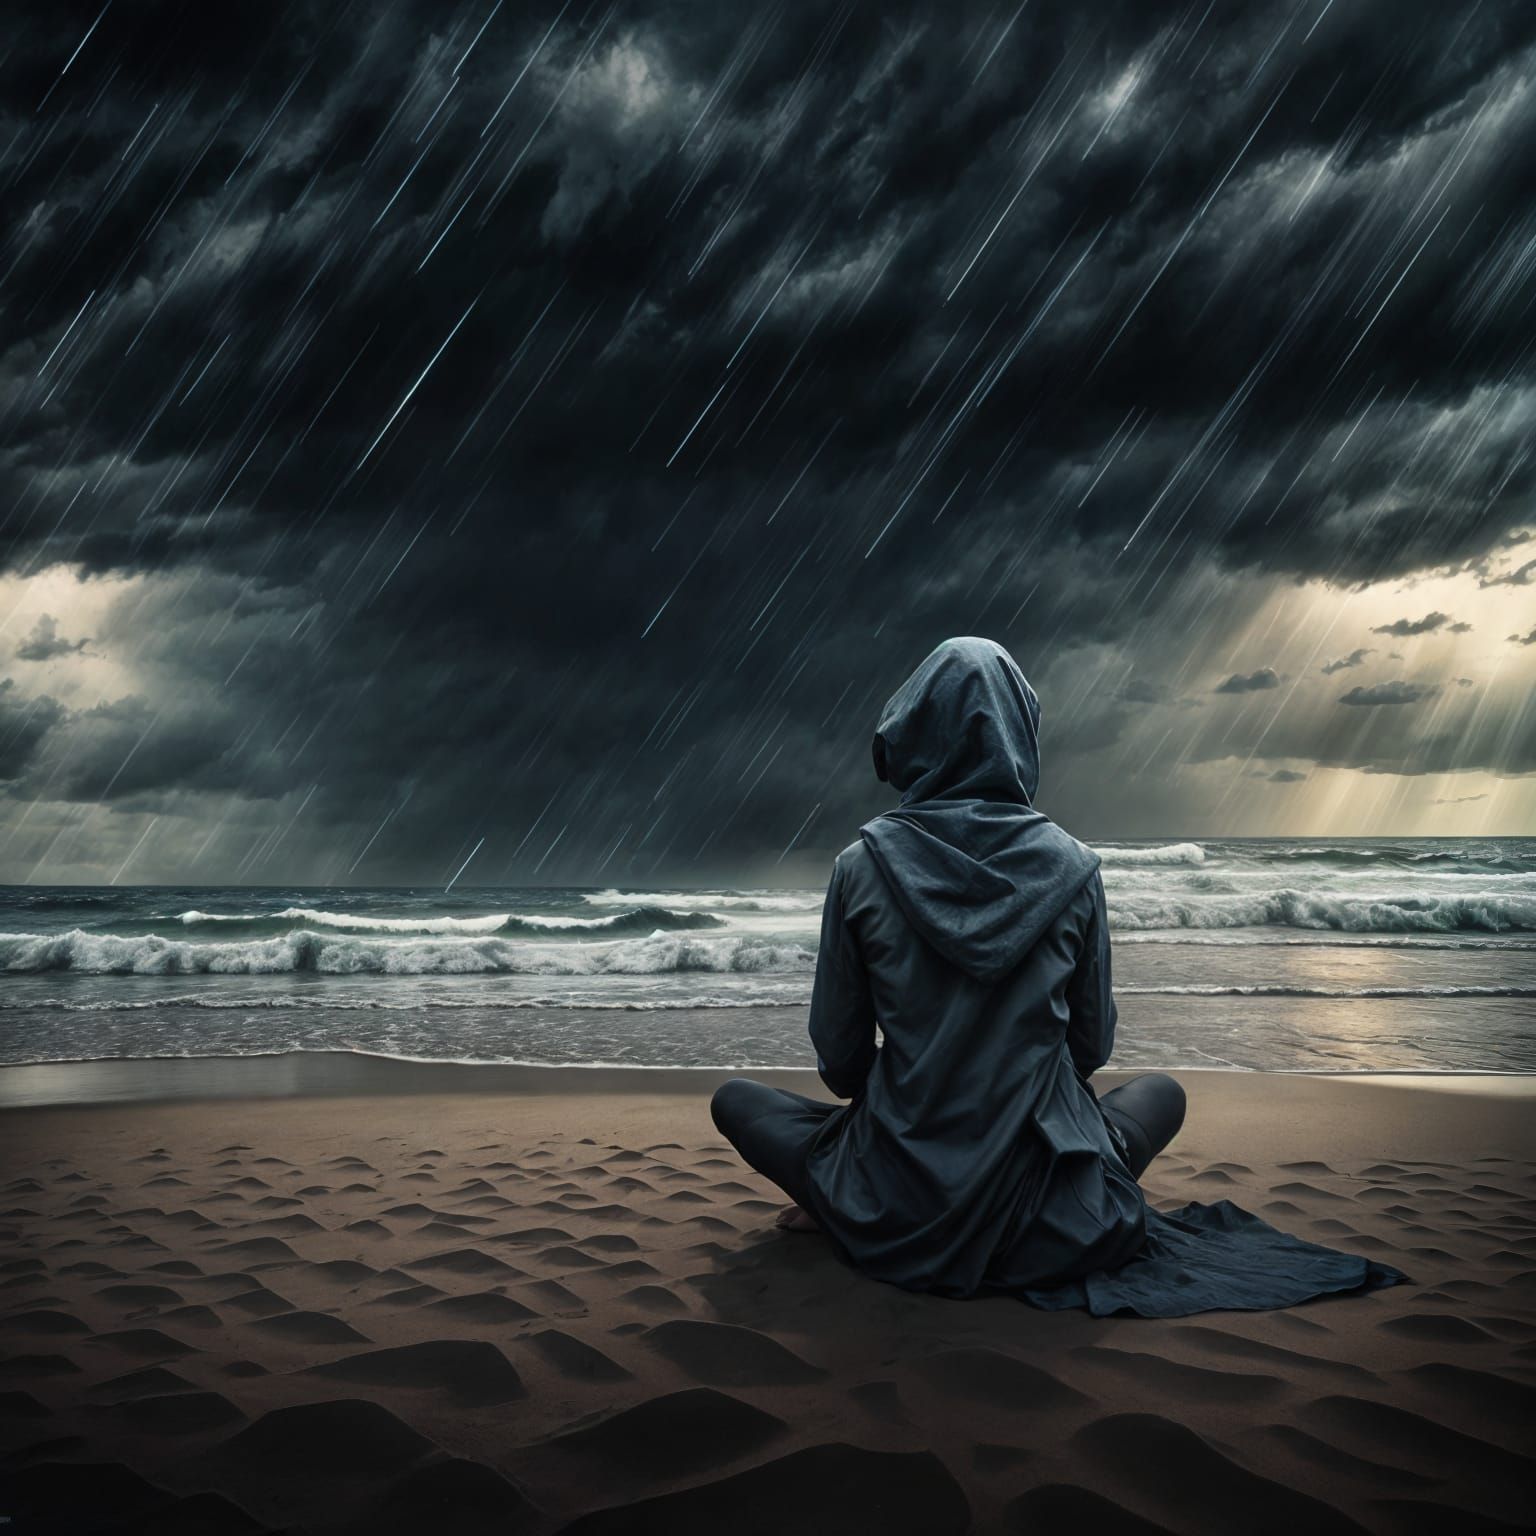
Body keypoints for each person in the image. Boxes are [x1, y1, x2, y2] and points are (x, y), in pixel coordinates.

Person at [711, 636, 1408, 1317]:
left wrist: (917, 1108)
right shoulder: (1074, 868)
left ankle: (839, 1203)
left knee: (738, 1101)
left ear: (917, 732)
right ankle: (1031, 1192)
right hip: (1057, 1211)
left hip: (898, 1197)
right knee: (1161, 1093)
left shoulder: (858, 867)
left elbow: (841, 1061)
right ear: (1018, 734)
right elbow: (1092, 1046)